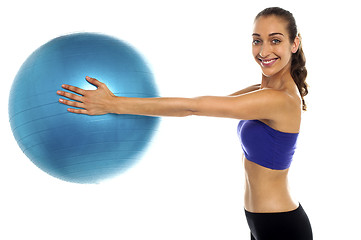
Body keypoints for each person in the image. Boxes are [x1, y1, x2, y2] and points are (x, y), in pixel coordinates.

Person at [57, 7, 313, 240]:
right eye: (257, 41)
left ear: (294, 44)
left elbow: (193, 106)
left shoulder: (279, 100)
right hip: (261, 221)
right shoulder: (261, 92)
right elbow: (200, 106)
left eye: (275, 40)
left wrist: (113, 104)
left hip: (282, 227)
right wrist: (130, 106)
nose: (264, 50)